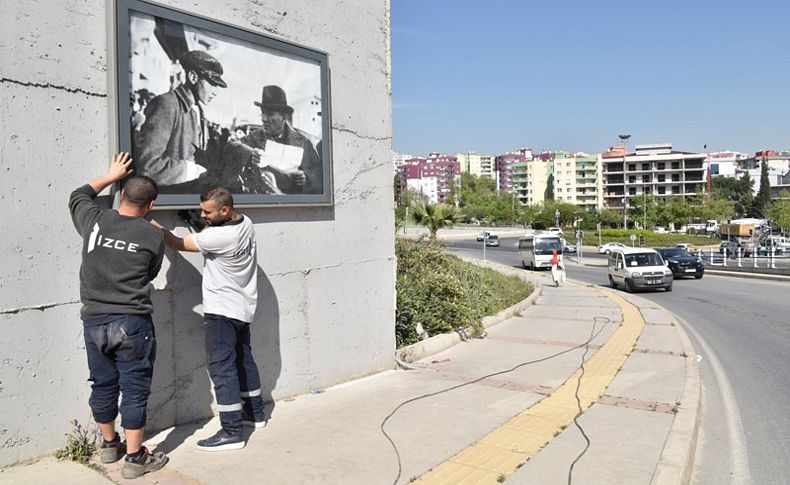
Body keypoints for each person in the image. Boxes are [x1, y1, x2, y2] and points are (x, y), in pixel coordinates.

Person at [68, 152, 168, 479]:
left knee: (103, 384)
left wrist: (111, 175)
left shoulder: (95, 220)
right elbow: (151, 273)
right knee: (135, 387)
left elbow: (78, 195)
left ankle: (109, 445)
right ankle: (136, 458)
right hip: (132, 322)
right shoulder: (153, 235)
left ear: (121, 197)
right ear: (150, 206)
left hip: (94, 319)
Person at [153, 186, 266, 451]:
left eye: (207, 211)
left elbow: (176, 243)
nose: (202, 215)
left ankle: (232, 431)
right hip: (242, 306)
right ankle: (254, 413)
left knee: (222, 368)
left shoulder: (220, 236)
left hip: (221, 311)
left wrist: (154, 226)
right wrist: (198, 220)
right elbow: (208, 232)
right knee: (242, 358)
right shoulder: (245, 222)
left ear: (224, 210)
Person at [134, 50, 227, 189]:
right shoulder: (166, 104)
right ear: (193, 77)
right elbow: (148, 166)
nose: (216, 92)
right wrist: (192, 170)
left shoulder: (198, 111)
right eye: (212, 84)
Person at [222, 85, 322, 194]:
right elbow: (231, 147)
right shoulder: (255, 138)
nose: (264, 119)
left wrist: (307, 177)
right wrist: (251, 153)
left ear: (284, 117)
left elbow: (319, 173)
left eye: (269, 114)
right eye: (263, 113)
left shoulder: (303, 143)